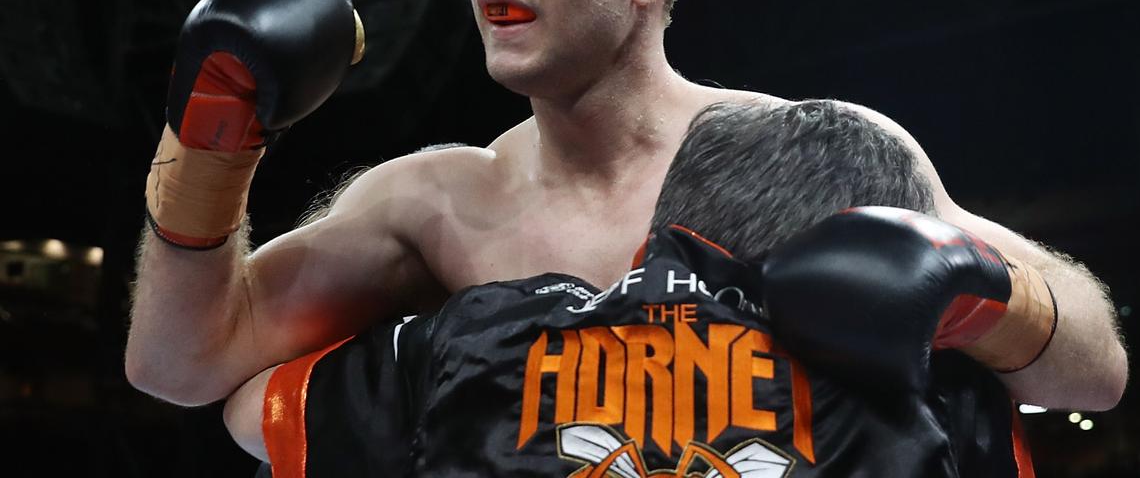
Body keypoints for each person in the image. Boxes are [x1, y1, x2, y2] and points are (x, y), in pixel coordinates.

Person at [125, 0, 1126, 419]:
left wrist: (981, 296)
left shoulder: (810, 153)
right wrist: (209, 145)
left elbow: (1090, 373)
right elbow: (182, 364)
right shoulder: (430, 203)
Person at [222, 100, 1045, 476]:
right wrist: (981, 301)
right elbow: (1095, 374)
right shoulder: (917, 395)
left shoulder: (495, 335)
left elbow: (247, 409)